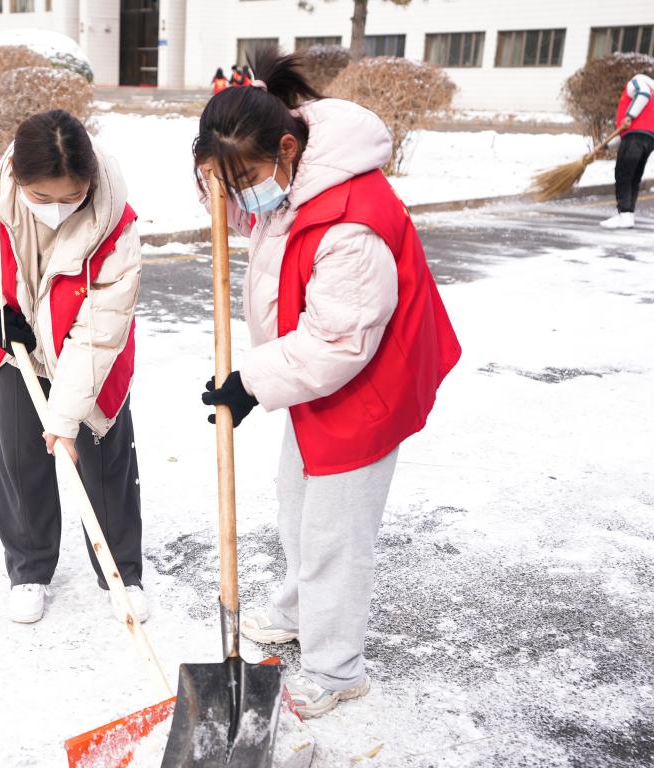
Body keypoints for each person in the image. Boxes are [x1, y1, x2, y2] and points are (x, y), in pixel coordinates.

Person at [193, 48, 461, 718]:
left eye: (244, 181)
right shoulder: (285, 167)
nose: (241, 196)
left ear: (286, 150)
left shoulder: (350, 219)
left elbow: (339, 340)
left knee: (335, 532)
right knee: (297, 501)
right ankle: (296, 606)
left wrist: (250, 383)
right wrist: (217, 184)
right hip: (317, 375)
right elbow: (246, 214)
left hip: (369, 380)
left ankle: (338, 665)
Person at [0, 110, 147, 626]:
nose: (56, 210)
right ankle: (28, 568)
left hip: (89, 346)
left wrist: (64, 421)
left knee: (102, 453)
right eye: (40, 199)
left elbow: (100, 333)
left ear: (89, 182)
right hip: (17, 342)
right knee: (21, 457)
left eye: (69, 198)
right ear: (17, 179)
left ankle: (122, 570)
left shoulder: (116, 223)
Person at [599, 72, 653, 229]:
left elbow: (642, 93)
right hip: (648, 139)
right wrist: (606, 146)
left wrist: (629, 115)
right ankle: (628, 215)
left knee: (623, 174)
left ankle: (624, 214)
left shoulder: (637, 82)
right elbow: (624, 132)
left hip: (635, 136)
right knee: (633, 177)